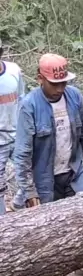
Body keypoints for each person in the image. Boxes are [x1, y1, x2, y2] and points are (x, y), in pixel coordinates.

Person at [14, 53, 83, 208]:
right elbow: (23, 152)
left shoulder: (74, 97)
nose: (59, 89)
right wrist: (29, 191)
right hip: (44, 179)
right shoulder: (30, 105)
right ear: (40, 79)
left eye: (63, 83)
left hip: (74, 173)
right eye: (54, 84)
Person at [0, 40, 24, 216]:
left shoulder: (13, 70)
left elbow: (22, 99)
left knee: (33, 172)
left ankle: (19, 205)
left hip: (18, 135)